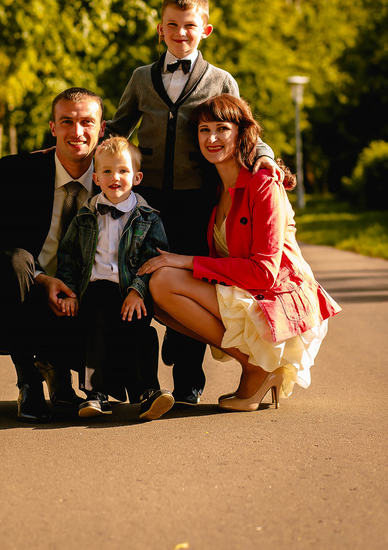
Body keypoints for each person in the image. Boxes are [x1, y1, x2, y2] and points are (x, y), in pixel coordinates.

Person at [105, 0, 281, 406]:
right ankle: (141, 383)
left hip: (198, 200)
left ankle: (188, 384)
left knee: (191, 281)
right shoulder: (141, 78)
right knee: (139, 277)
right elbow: (118, 127)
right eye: (172, 25)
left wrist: (264, 155)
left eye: (189, 26)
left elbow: (241, 126)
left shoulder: (221, 80)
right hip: (147, 202)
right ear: (160, 29)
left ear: (205, 30)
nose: (180, 33)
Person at [139, 93, 341, 411]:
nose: (212, 138)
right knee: (154, 293)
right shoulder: (216, 188)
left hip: (276, 296)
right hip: (246, 290)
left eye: (222, 128)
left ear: (241, 133)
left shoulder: (264, 183)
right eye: (204, 130)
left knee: (164, 281)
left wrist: (186, 262)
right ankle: (255, 366)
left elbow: (264, 273)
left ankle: (256, 366)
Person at [0, 87, 106, 423]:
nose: (77, 131)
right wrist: (41, 280)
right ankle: (28, 380)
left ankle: (67, 376)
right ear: (53, 127)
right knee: (15, 259)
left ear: (102, 129)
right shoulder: (16, 171)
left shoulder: (115, 179)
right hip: (22, 298)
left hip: (84, 303)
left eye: (87, 122)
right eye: (67, 122)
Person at [56, 136, 174, 421]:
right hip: (95, 289)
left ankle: (148, 392)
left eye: (123, 170)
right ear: (96, 178)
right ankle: (95, 394)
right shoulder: (84, 216)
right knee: (94, 330)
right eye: (107, 171)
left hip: (131, 291)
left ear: (137, 177)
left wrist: (138, 291)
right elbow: (68, 256)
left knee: (142, 333)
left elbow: (155, 260)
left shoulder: (148, 218)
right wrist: (69, 291)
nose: (115, 177)